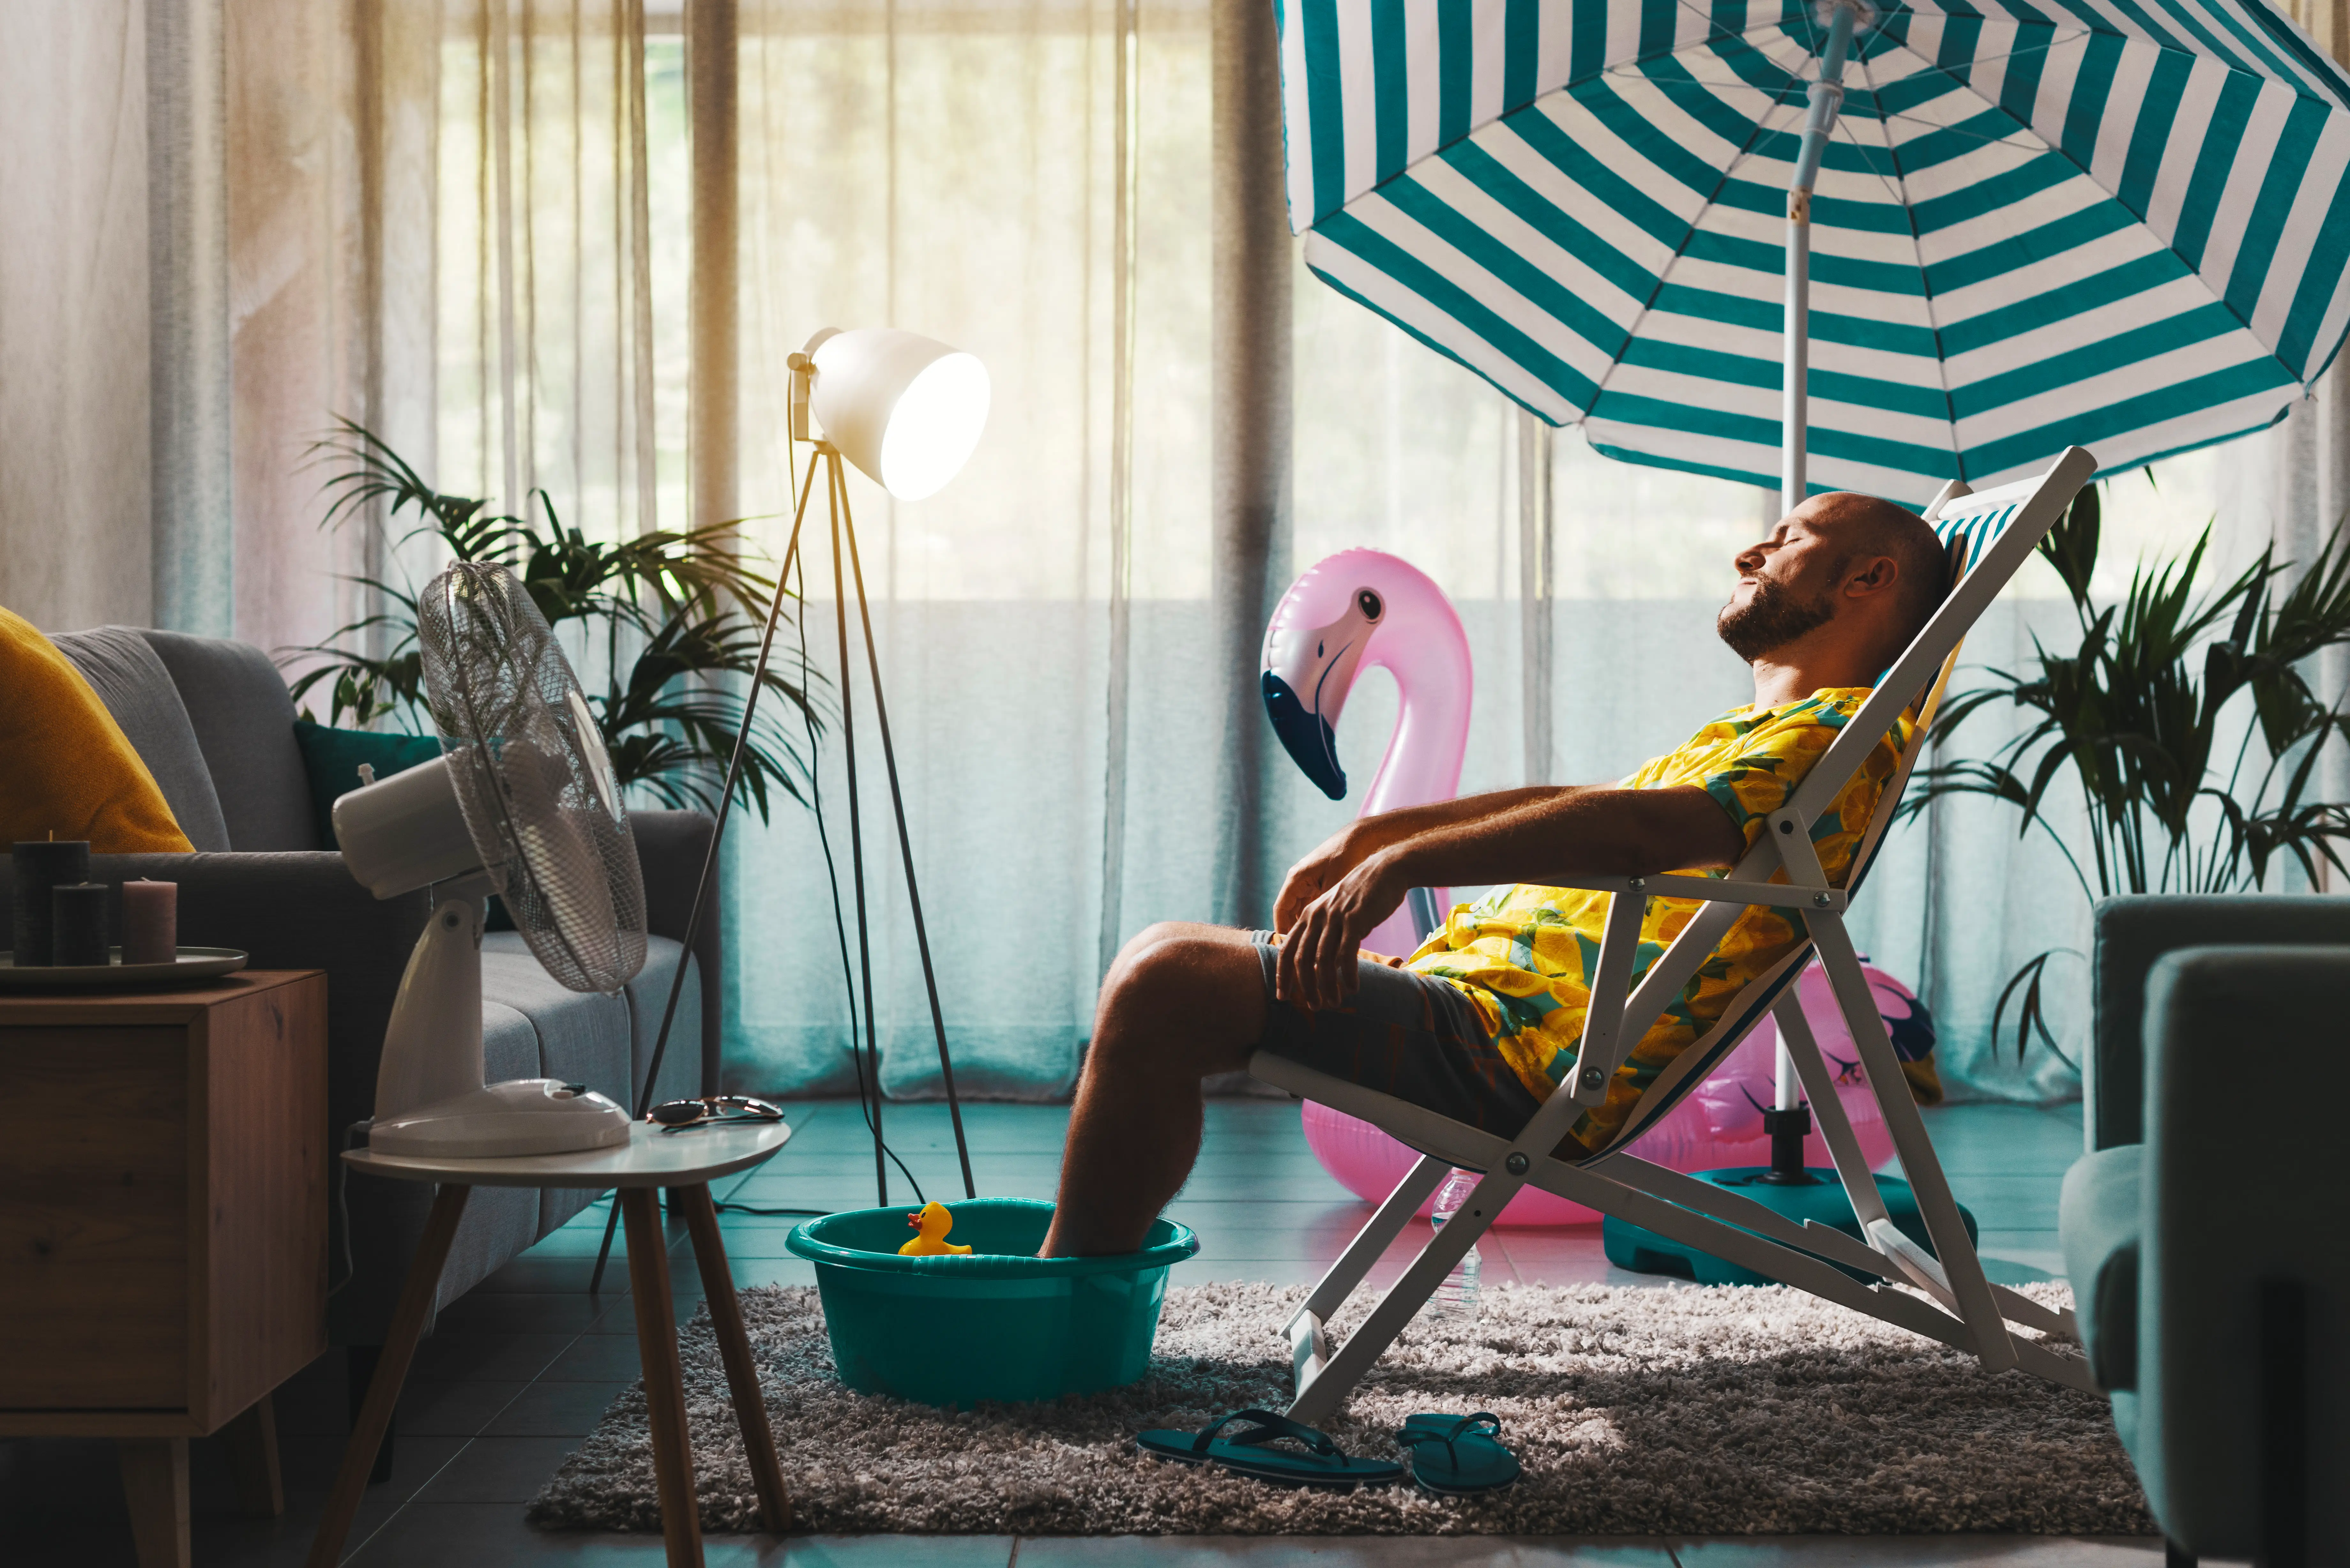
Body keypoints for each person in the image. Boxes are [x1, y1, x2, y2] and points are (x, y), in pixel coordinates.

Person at [1039, 491, 1949, 1258]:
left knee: (1166, 983)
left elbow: (1638, 832)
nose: (1751, 552)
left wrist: (1407, 862)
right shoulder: (1756, 739)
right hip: (1480, 1010)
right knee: (1165, 955)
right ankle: (1082, 1274)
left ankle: (1066, 1300)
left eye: (1789, 540)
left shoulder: (1827, 737)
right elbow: (1592, 800)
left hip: (1513, 1056)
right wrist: (1378, 836)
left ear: (1868, 580)